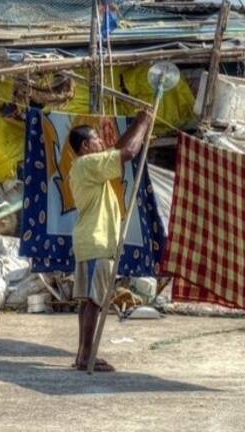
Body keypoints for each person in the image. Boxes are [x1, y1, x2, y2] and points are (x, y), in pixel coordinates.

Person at [66, 109, 154, 372]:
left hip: (89, 241)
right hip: (97, 241)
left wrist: (138, 124)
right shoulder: (87, 164)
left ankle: (84, 354)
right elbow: (127, 153)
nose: (101, 144)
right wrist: (143, 123)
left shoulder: (88, 167)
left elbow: (116, 149)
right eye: (96, 140)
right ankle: (86, 356)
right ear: (85, 146)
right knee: (95, 300)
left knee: (88, 301)